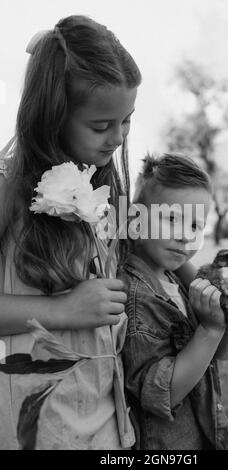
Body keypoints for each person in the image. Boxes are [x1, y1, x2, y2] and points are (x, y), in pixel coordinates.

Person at [0, 15, 141, 450]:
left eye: (127, 121)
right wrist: (62, 309)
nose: (117, 138)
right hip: (37, 423)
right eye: (101, 126)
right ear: (52, 115)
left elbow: (150, 240)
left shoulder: (103, 191)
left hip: (105, 422)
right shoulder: (9, 188)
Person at [121, 153, 228, 450]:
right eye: (170, 219)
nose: (184, 236)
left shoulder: (179, 281)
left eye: (195, 226)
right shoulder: (137, 297)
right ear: (135, 220)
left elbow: (222, 355)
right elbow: (162, 394)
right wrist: (209, 330)